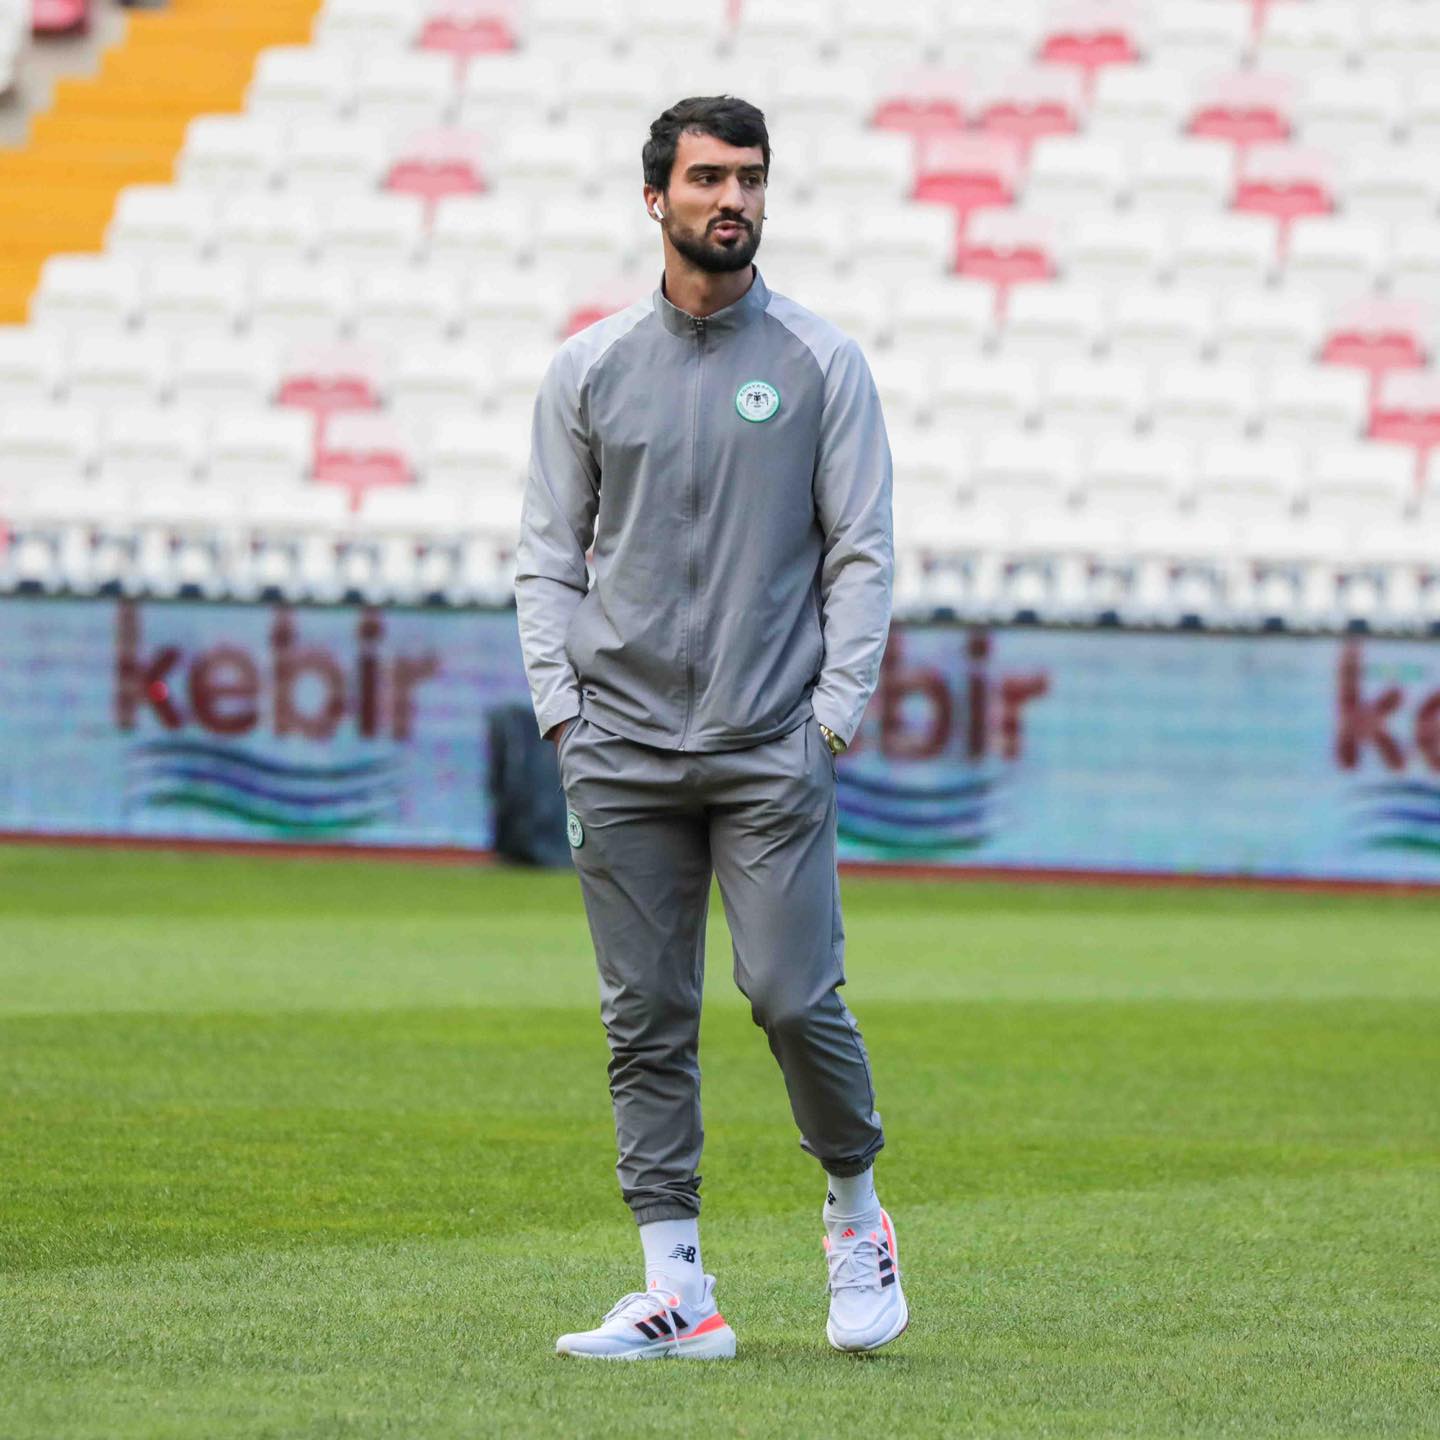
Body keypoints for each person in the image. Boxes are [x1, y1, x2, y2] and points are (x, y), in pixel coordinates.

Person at [515, 95, 901, 1360]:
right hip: (617, 748)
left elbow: (861, 552)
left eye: (749, 176)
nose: (732, 197)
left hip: (768, 744)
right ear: (656, 198)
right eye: (707, 177)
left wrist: (830, 718)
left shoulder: (821, 363)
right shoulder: (588, 368)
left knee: (792, 998)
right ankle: (678, 1289)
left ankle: (856, 1213)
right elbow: (547, 555)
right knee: (644, 1019)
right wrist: (563, 713)